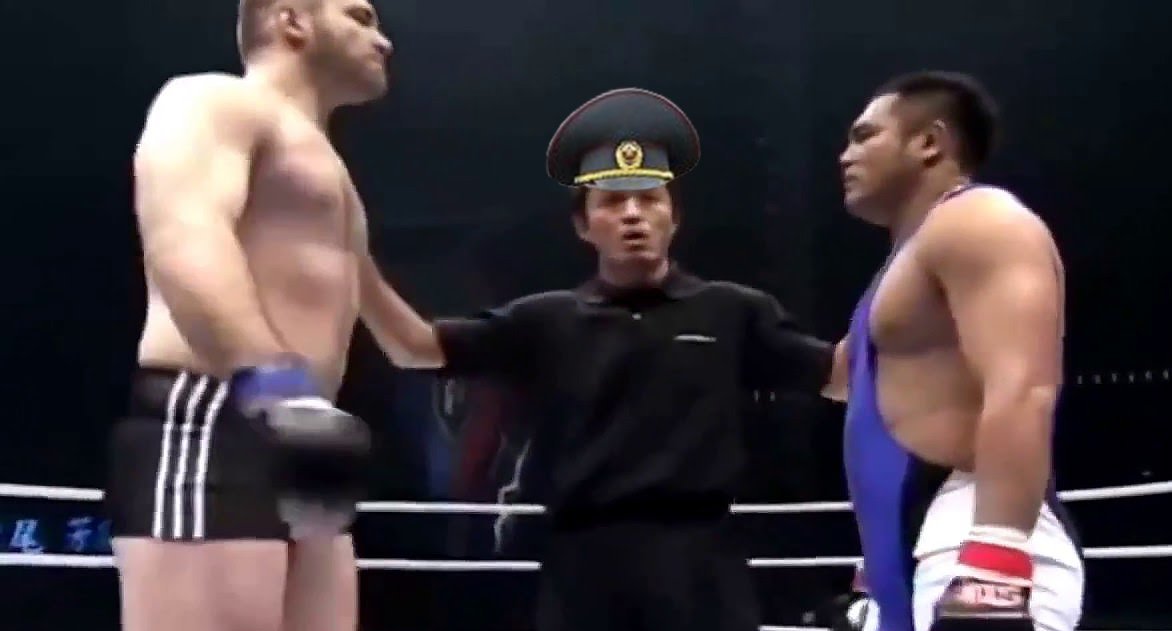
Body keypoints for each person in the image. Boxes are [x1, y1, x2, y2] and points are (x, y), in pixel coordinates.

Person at [355, 87, 846, 631]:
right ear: (583, 225)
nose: (633, 214)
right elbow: (415, 349)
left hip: (702, 562)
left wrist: (907, 272)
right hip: (582, 566)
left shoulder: (733, 311)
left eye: (650, 199)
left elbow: (842, 377)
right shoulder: (547, 319)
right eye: (612, 202)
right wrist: (349, 258)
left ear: (674, 216)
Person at [105, 1, 393, 630]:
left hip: (312, 437)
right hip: (218, 411)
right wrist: (278, 388)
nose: (384, 41)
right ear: (293, 21)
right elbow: (184, 239)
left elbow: (389, 321)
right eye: (360, 17)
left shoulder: (332, 170)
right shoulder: (215, 101)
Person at [835, 71, 1084, 631]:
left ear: (929, 142)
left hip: (975, 530)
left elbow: (1024, 385)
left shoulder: (980, 220)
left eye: (865, 136)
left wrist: (995, 564)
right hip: (909, 547)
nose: (845, 155)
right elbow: (840, 377)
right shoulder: (903, 267)